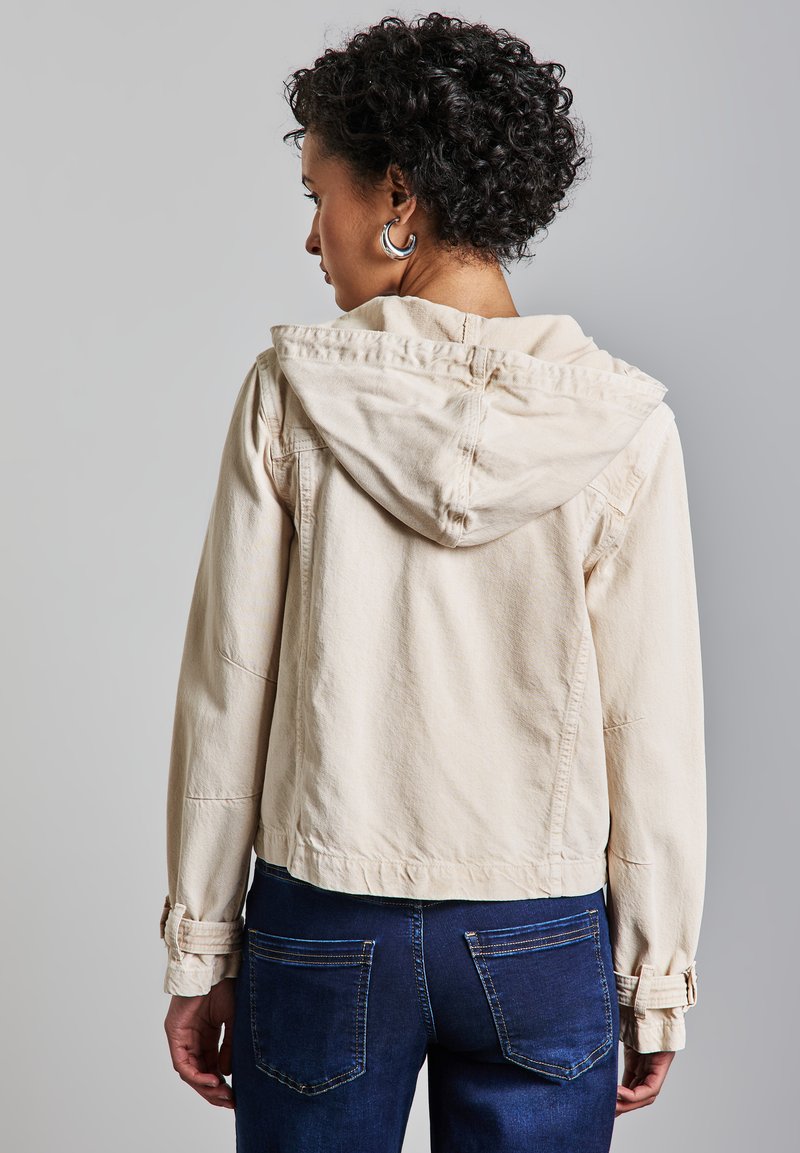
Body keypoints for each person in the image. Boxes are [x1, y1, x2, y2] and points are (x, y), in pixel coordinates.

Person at [160, 12, 706, 1151]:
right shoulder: (619, 422)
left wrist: (202, 943)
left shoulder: (290, 393)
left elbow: (228, 688)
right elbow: (649, 723)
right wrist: (655, 978)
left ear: (397, 195)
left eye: (320, 196)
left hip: (324, 921)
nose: (311, 237)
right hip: (537, 930)